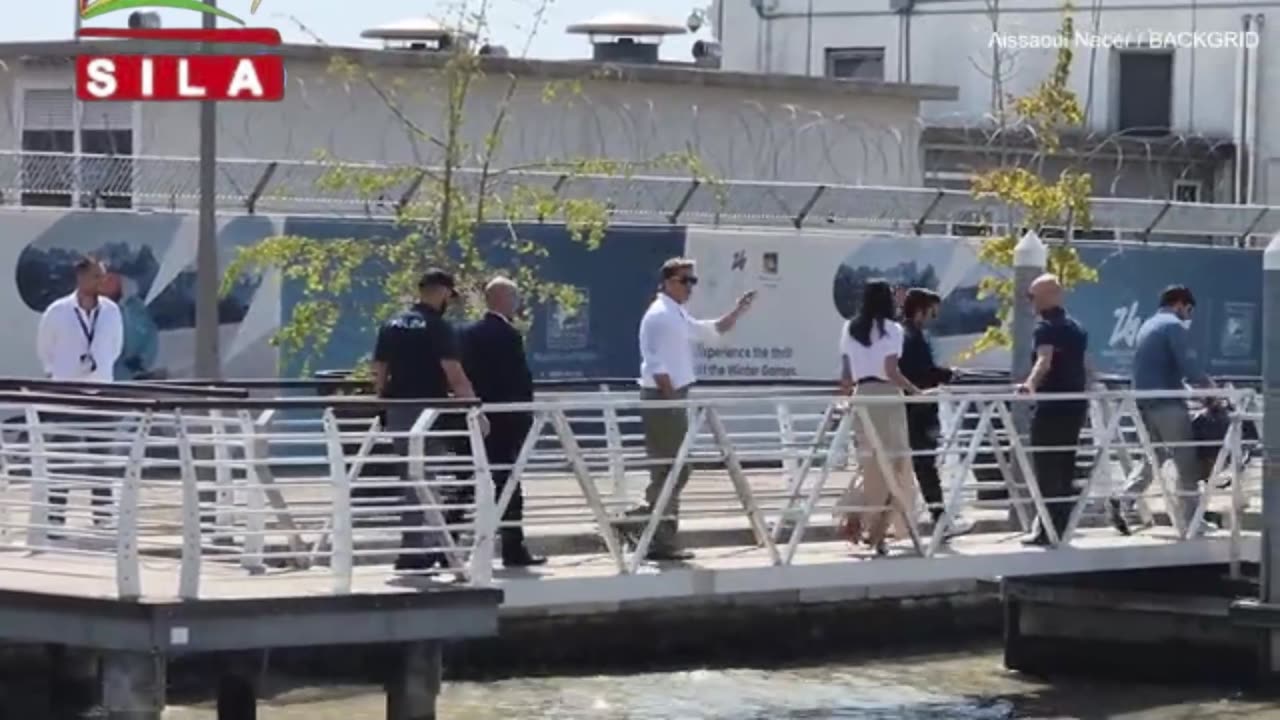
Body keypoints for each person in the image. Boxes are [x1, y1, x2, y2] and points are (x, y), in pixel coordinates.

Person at [628, 257, 755, 561]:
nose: (691, 287)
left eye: (693, 281)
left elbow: (709, 330)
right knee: (674, 468)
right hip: (663, 396)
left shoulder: (677, 314)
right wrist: (672, 400)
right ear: (669, 282)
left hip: (674, 395)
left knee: (671, 469)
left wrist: (738, 310)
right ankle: (647, 527)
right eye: (686, 281)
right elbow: (655, 363)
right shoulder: (659, 315)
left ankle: (653, 531)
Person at [371, 268, 485, 573]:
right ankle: (418, 551)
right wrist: (475, 410)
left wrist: (382, 403)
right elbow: (455, 374)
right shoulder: (438, 327)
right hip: (427, 411)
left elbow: (379, 369)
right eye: (449, 295)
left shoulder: (391, 323)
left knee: (411, 478)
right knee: (425, 478)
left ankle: (419, 547)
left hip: (397, 409)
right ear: (444, 292)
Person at [1109, 285, 1217, 536]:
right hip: (1168, 403)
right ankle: (1192, 522)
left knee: (1154, 456)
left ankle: (1123, 498)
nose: (1189, 317)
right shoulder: (1173, 326)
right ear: (1180, 303)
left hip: (1144, 401)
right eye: (1189, 310)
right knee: (1186, 461)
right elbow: (1189, 367)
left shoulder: (1148, 325)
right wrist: (1211, 393)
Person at [459, 276, 546, 568]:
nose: (518, 303)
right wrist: (526, 413)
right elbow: (517, 378)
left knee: (471, 482)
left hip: (478, 417)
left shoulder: (468, 333)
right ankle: (513, 548)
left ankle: (450, 547)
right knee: (508, 484)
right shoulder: (509, 335)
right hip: (507, 420)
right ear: (504, 299)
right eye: (515, 297)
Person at [35, 256, 125, 530]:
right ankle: (55, 519)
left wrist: (101, 368)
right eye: (96, 276)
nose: (102, 281)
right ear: (81, 278)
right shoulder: (58, 311)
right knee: (61, 457)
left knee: (101, 458)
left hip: (101, 392)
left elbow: (116, 345)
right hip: (66, 394)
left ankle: (103, 518)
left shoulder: (111, 311)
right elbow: (45, 348)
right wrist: (57, 373)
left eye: (103, 276)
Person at [838, 279, 923, 556]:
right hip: (887, 396)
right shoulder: (892, 329)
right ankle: (877, 532)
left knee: (870, 463)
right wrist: (915, 391)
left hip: (862, 395)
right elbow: (891, 370)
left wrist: (848, 400)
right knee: (896, 465)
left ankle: (858, 518)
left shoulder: (850, 327)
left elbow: (846, 376)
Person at [1017, 273, 1092, 547]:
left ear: (1048, 296)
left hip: (1052, 406)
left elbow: (1044, 361)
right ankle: (1059, 527)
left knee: (1046, 467)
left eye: (1033, 296)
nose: (1031, 302)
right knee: (1065, 466)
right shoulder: (1077, 328)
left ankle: (1046, 530)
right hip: (1076, 405)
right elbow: (1085, 364)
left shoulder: (1045, 328)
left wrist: (1029, 385)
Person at [898, 288, 974, 538]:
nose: (934, 316)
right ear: (921, 310)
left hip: (907, 409)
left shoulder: (902, 335)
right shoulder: (914, 337)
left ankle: (928, 518)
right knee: (926, 466)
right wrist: (946, 374)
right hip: (919, 411)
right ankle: (940, 519)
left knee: (909, 466)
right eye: (932, 311)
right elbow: (921, 372)